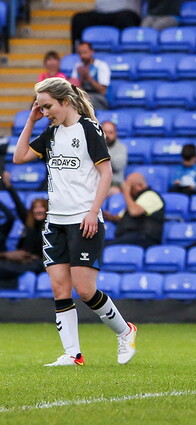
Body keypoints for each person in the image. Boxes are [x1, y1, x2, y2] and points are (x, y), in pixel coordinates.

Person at [13, 77, 137, 367]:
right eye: (40, 108)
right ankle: (73, 354)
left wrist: (93, 212)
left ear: (65, 102)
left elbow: (105, 174)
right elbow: (19, 157)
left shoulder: (89, 129)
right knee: (59, 288)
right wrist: (31, 122)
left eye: (48, 107)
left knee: (84, 290)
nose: (45, 112)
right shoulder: (51, 132)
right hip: (55, 222)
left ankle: (125, 331)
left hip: (84, 220)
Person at [0, 173, 47, 286]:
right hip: (20, 260)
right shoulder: (28, 222)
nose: (38, 210)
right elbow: (18, 204)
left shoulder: (52, 227)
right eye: (35, 208)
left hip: (38, 262)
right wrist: (9, 186)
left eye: (41, 207)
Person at [104, 172, 165, 249]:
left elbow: (134, 212)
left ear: (140, 186)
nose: (128, 189)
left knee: (104, 248)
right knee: (99, 245)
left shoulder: (151, 195)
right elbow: (121, 217)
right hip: (129, 237)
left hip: (144, 237)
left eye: (130, 186)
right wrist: (109, 216)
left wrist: (126, 192)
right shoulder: (135, 200)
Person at [70, 42, 110, 111]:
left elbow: (103, 91)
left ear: (92, 52)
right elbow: (75, 87)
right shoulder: (78, 66)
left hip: (98, 98)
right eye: (80, 53)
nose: (82, 56)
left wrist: (88, 77)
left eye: (85, 52)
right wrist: (82, 78)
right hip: (83, 95)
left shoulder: (101, 66)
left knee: (82, 100)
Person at [100, 120, 127, 192]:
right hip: (96, 181)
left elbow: (118, 166)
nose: (107, 135)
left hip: (114, 183)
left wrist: (103, 150)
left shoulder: (121, 147)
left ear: (116, 134)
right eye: (104, 132)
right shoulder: (93, 145)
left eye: (110, 132)